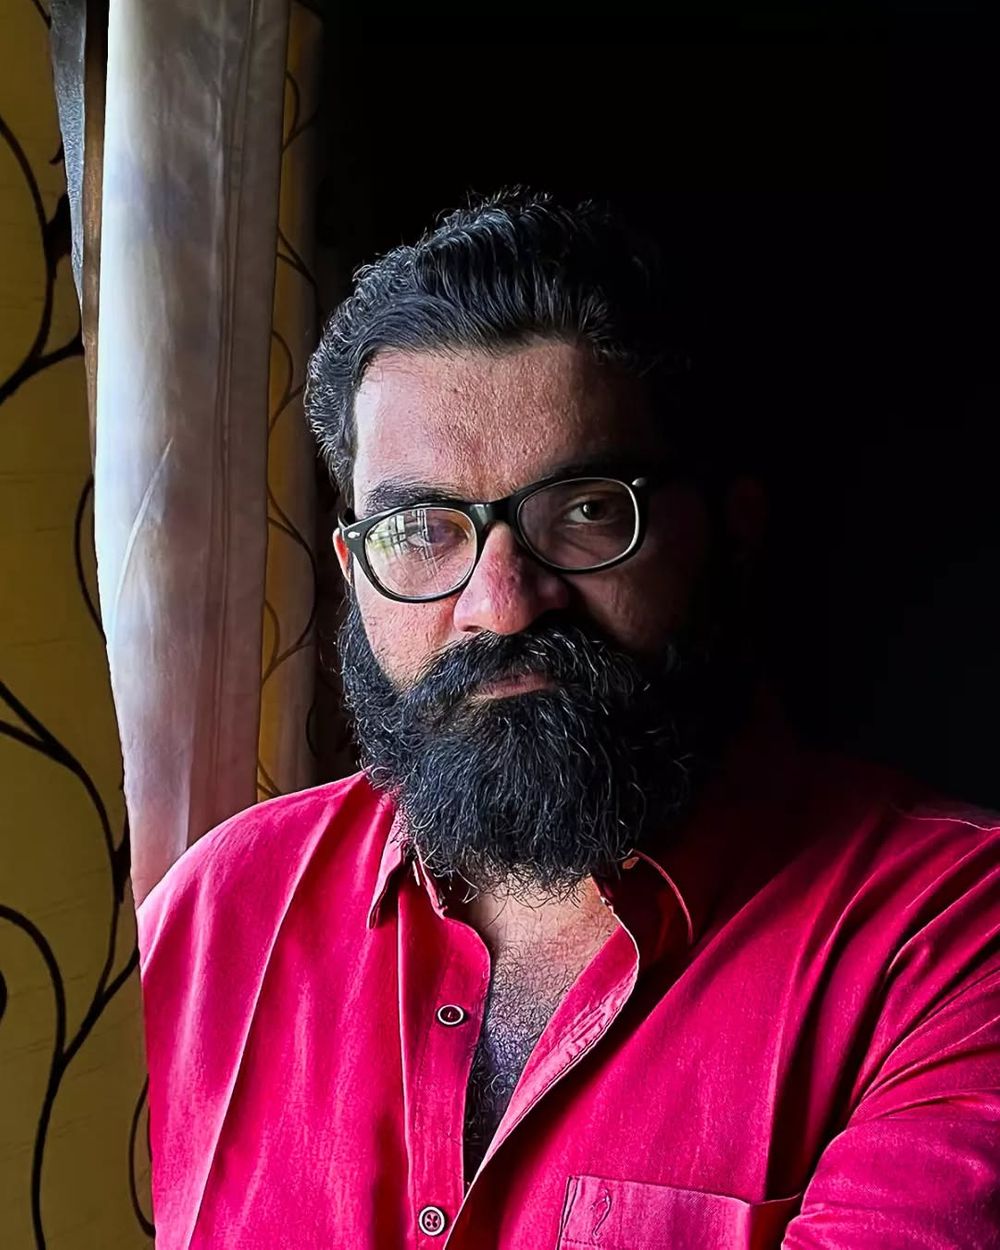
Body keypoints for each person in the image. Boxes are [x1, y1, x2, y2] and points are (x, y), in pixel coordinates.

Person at [138, 190, 1000, 1249]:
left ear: (730, 534)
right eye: (421, 529)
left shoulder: (953, 939)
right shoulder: (216, 912)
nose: (501, 603)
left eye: (585, 511)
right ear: (353, 568)